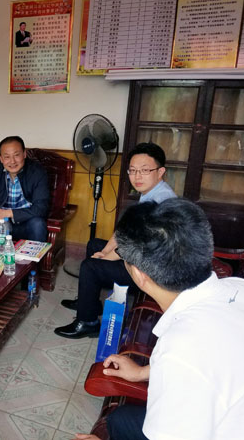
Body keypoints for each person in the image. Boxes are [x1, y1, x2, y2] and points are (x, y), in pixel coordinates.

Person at [74, 199, 244, 440]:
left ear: (139, 274)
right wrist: (142, 373)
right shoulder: (237, 287)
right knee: (120, 420)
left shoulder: (179, 350)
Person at [55, 142, 177, 339]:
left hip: (152, 274)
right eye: (133, 170)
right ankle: (90, 304)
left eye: (145, 170)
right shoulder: (151, 192)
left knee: (90, 267)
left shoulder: (161, 201)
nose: (137, 176)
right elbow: (124, 232)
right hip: (141, 259)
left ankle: (88, 322)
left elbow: (134, 246)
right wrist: (104, 251)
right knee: (95, 245)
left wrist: (105, 258)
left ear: (160, 171)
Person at [0, 135, 49, 242]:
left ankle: (34, 254)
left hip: (24, 223)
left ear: (24, 154)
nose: (12, 161)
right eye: (7, 157)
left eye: (16, 155)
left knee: (38, 224)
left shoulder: (37, 172)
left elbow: (41, 208)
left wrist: (7, 213)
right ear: (1, 159)